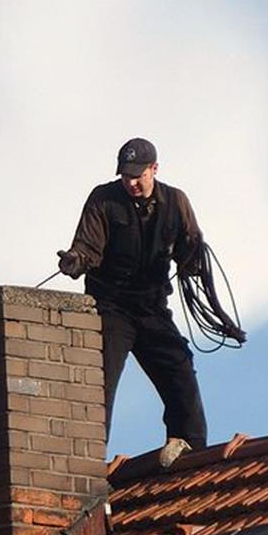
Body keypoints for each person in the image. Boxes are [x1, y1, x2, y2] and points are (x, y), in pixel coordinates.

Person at [57, 138, 207, 468]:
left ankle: (192, 455)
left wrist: (194, 261)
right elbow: (87, 247)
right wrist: (75, 261)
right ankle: (88, 465)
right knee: (100, 383)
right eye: (126, 176)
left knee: (180, 367)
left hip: (152, 307)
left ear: (154, 169)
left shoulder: (176, 202)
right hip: (110, 308)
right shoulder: (103, 199)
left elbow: (191, 249)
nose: (132, 182)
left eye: (138, 175)